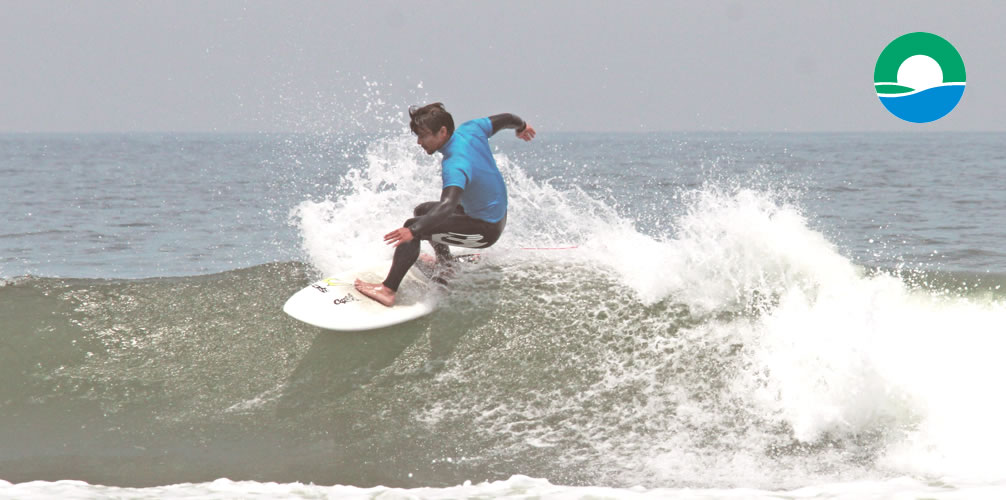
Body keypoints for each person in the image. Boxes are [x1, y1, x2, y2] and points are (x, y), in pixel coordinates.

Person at [355, 103, 536, 306]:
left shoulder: (455, 163)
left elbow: (448, 206)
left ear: (442, 131)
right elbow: (506, 118)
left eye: (423, 136)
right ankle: (446, 263)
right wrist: (521, 126)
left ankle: (388, 290)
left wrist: (413, 231)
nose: (419, 142)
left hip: (486, 230)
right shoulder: (472, 129)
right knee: (423, 211)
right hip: (491, 213)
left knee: (412, 226)